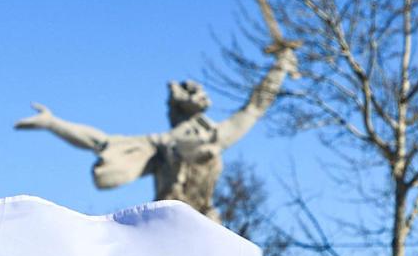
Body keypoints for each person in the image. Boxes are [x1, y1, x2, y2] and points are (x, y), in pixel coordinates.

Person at [15, 44, 298, 221]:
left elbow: (255, 107)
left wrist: (280, 68)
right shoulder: (162, 144)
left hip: (206, 222)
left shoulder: (215, 135)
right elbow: (100, 142)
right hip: (168, 223)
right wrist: (53, 123)